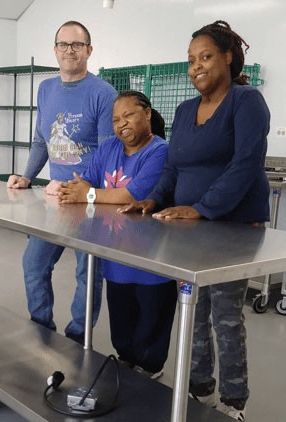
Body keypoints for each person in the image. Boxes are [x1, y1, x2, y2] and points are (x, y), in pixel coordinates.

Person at [119, 20, 270, 421]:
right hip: (189, 228)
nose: (196, 67)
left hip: (235, 225)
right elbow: (173, 166)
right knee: (193, 309)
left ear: (228, 57)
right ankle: (199, 388)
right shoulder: (186, 110)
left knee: (224, 313)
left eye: (205, 57)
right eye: (190, 60)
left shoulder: (247, 101)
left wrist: (202, 207)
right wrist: (152, 199)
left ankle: (234, 401)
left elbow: (246, 164)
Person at [6, 21, 118, 344]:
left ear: (89, 51)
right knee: (34, 263)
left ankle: (77, 337)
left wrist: (82, 189)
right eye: (64, 45)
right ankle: (41, 328)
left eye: (77, 45)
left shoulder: (103, 94)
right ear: (55, 50)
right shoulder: (46, 89)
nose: (70, 50)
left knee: (88, 273)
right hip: (55, 202)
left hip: (88, 203)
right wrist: (27, 176)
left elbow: (106, 153)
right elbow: (41, 139)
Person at [58, 91, 175, 379]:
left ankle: (150, 371)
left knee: (151, 320)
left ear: (147, 114)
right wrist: (78, 191)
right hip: (115, 253)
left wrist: (89, 195)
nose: (122, 124)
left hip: (151, 258)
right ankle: (126, 361)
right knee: (122, 319)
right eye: (115, 119)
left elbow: (133, 193)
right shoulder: (109, 147)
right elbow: (87, 179)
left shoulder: (159, 151)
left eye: (129, 115)